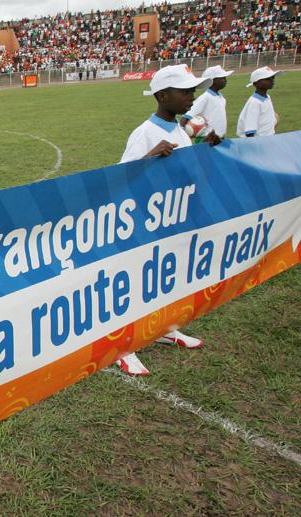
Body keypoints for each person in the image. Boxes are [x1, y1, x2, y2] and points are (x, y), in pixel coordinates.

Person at [116, 64, 221, 376]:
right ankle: (123, 347)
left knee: (165, 282)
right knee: (137, 285)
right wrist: (147, 158)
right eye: (185, 91)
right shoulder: (144, 133)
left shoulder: (179, 130)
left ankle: (164, 329)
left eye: (193, 91)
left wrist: (209, 149)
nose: (192, 96)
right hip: (145, 225)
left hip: (174, 221)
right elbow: (120, 180)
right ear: (162, 95)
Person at [182, 66, 232, 137]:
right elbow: (188, 115)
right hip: (208, 138)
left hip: (219, 137)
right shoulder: (206, 97)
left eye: (225, 78)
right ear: (212, 81)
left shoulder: (221, 97)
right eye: (222, 78)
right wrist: (182, 131)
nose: (225, 80)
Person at [237, 66, 282, 138]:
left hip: (267, 140)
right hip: (259, 142)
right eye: (267, 78)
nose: (272, 80)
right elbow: (250, 132)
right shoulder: (254, 103)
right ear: (256, 83)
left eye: (272, 78)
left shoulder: (267, 98)